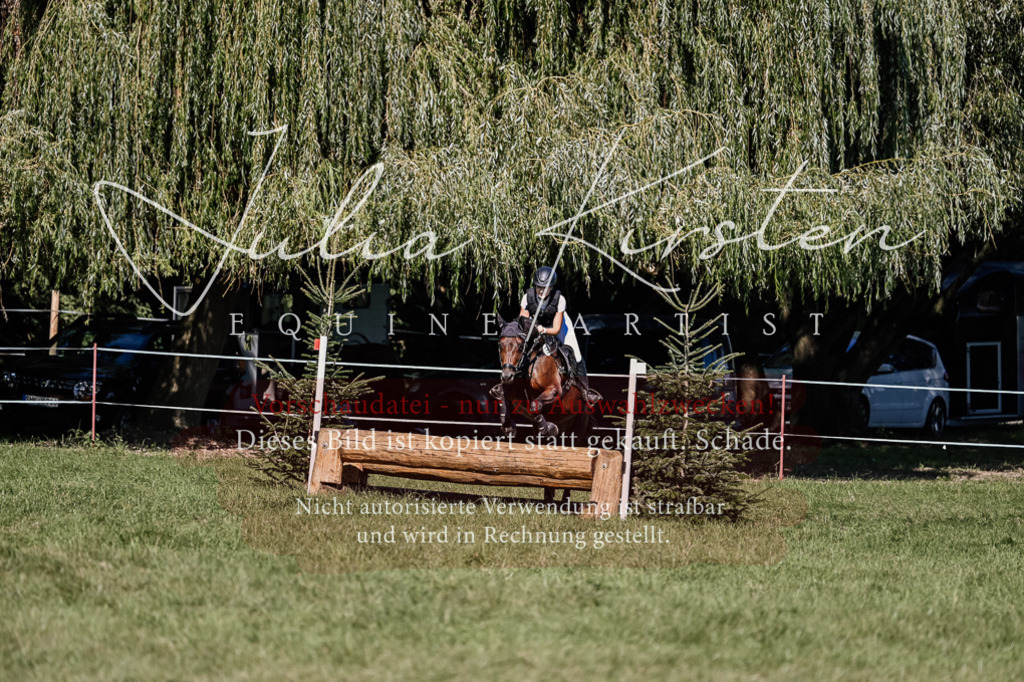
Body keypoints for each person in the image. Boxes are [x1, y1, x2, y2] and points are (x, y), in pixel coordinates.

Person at [519, 266, 600, 404]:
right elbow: (522, 322)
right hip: (536, 326)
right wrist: (530, 331)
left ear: (551, 287)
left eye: (545, 287)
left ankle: (585, 390)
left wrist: (542, 330)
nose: (541, 290)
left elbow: (556, 329)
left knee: (576, 354)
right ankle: (510, 382)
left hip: (558, 325)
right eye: (539, 287)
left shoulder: (560, 299)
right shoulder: (527, 298)